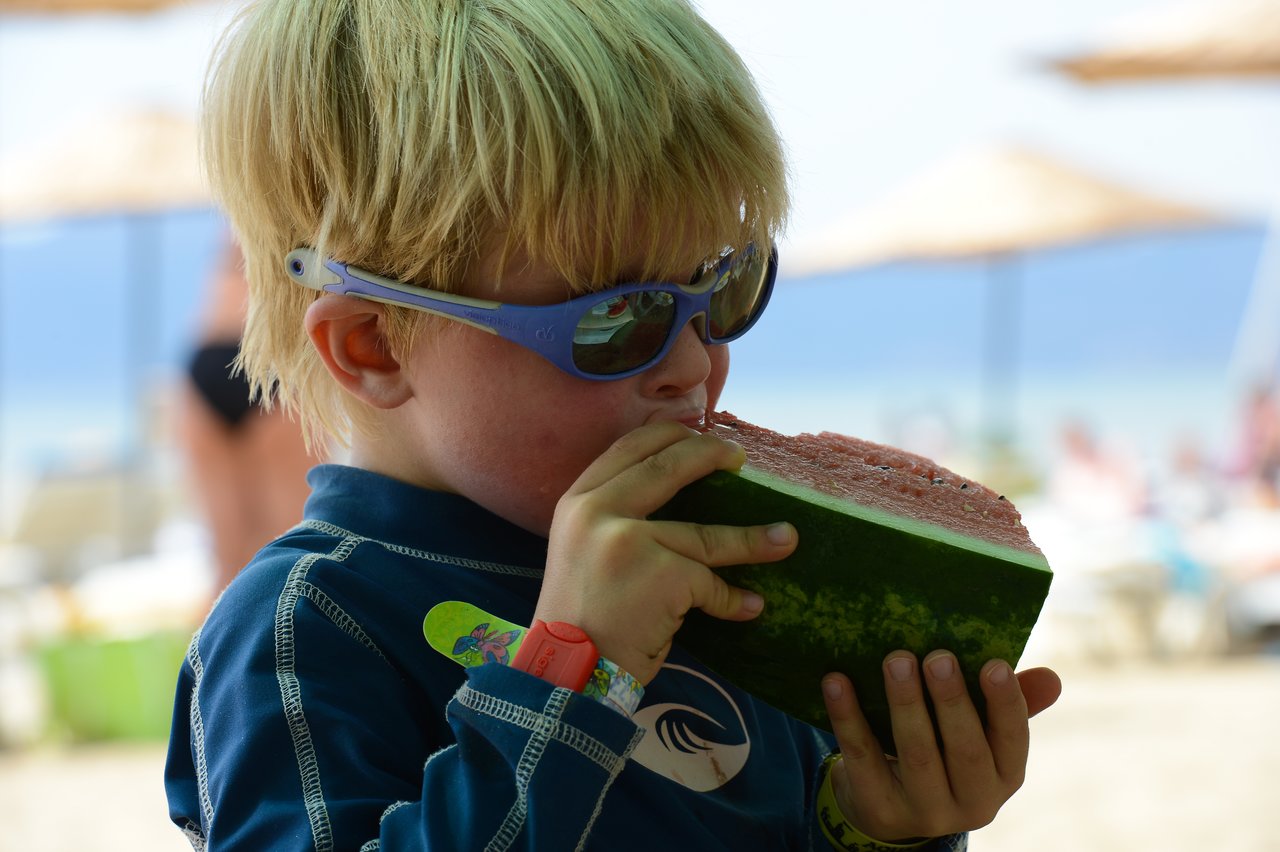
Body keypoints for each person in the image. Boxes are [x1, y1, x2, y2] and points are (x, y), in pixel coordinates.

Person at [164, 1, 1061, 849]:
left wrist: (881, 827)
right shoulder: (304, 629)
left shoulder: (729, 574)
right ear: (376, 347)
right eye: (616, 320)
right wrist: (574, 674)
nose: (692, 365)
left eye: (722, 292)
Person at [178, 239, 317, 594]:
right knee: (286, 551)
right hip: (273, 356)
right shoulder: (307, 201)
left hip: (213, 353)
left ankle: (217, 647)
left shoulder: (240, 202)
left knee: (233, 559)